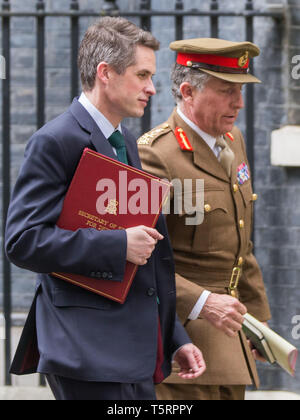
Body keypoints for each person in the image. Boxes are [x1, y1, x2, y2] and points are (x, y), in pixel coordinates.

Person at [5, 18, 206, 401]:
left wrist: (174, 336)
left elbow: (148, 255)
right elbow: (23, 241)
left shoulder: (124, 139)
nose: (151, 87)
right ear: (106, 73)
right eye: (142, 74)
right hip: (85, 350)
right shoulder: (54, 140)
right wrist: (117, 245)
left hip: (131, 350)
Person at [138, 37, 271, 401]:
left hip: (232, 338)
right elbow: (137, 259)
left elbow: (240, 241)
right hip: (182, 347)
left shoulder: (233, 139)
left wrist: (258, 321)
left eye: (240, 90)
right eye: (227, 91)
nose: (239, 103)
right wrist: (201, 301)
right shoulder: (153, 155)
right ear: (187, 91)